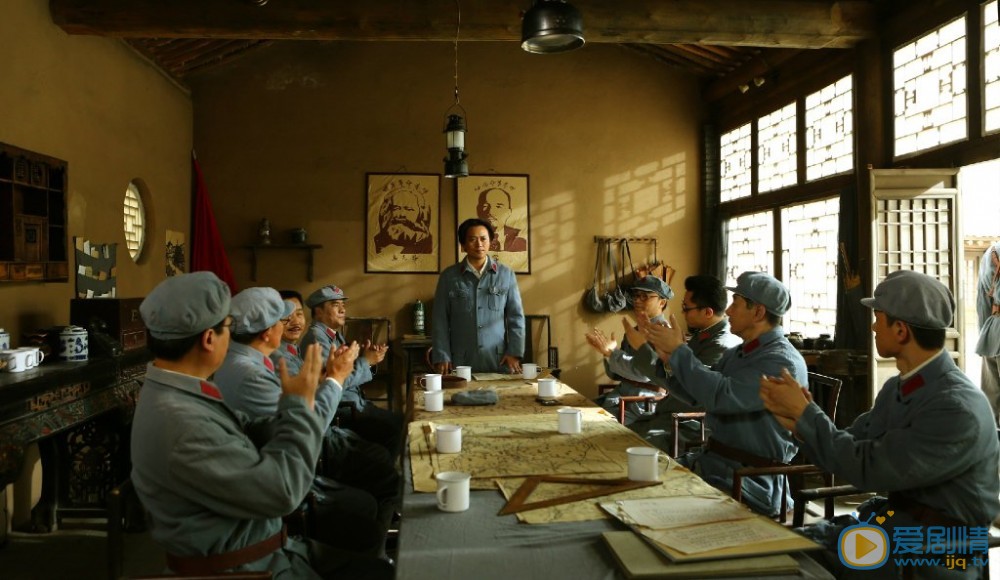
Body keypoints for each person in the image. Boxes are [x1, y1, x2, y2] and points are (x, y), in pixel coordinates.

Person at [131, 272, 391, 579]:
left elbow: (244, 426)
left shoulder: (175, 391)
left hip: (266, 546)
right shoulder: (181, 420)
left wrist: (293, 407)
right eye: (228, 328)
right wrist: (299, 405)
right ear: (209, 339)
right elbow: (283, 492)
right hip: (249, 566)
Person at [760, 270, 1000, 579]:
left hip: (936, 553)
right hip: (895, 527)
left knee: (789, 566)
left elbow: (868, 468)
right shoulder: (901, 387)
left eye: (879, 317)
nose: (873, 326)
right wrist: (797, 421)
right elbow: (852, 442)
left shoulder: (955, 407)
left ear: (900, 330)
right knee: (781, 548)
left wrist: (807, 415)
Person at [644, 271, 806, 517]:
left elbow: (721, 395)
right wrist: (670, 362)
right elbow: (700, 395)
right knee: (639, 481)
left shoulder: (780, 363)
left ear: (759, 312)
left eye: (736, 304)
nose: (728, 311)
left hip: (751, 480)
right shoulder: (740, 353)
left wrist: (679, 351)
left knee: (656, 509)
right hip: (715, 465)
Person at [627, 275, 743, 451]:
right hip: (669, 416)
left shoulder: (720, 346)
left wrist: (644, 349)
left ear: (707, 312)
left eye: (686, 308)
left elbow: (691, 390)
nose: (682, 313)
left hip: (688, 423)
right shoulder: (703, 336)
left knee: (633, 448)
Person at [299, 284, 402, 456]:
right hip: (342, 409)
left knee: (403, 422)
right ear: (318, 311)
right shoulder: (317, 339)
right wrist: (365, 361)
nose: (342, 309)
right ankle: (384, 473)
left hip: (355, 403)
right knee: (399, 427)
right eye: (335, 305)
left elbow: (347, 371)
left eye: (343, 305)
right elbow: (336, 380)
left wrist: (370, 360)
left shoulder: (331, 335)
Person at [431, 218, 525, 374]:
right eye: (472, 239)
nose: (479, 244)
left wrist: (514, 353)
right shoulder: (449, 276)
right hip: (459, 361)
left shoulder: (506, 274)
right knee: (458, 398)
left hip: (498, 359)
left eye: (483, 239)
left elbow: (516, 317)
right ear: (463, 245)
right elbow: (439, 319)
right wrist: (442, 355)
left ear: (490, 242)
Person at [586, 275, 674, 425]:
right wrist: (608, 354)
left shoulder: (664, 334)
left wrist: (611, 353)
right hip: (620, 397)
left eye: (644, 296)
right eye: (636, 296)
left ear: (662, 302)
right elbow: (615, 374)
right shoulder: (634, 332)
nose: (637, 300)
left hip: (643, 403)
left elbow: (643, 373)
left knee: (590, 426)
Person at [976, 242, 1000, 424]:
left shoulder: (992, 252)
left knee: (992, 403)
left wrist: (985, 333)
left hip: (995, 330)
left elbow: (983, 299)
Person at [372, 187, 433, 254]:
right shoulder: (378, 240)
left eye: (409, 209)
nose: (401, 214)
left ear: (420, 214)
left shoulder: (426, 242)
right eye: (396, 208)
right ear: (388, 212)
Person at [476, 187, 527, 252]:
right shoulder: (468, 240)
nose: (491, 212)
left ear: (509, 212)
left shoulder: (520, 241)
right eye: (485, 206)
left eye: (498, 206)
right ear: (479, 210)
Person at [270, 289, 307, 377]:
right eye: (287, 315)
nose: (296, 322)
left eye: (299, 314)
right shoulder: (279, 357)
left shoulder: (292, 347)